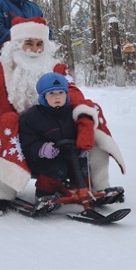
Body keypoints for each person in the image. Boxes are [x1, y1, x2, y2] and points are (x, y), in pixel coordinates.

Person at [0, 17, 125, 217]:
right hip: (17, 138)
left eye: (40, 44)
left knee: (92, 112)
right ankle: (1, 194)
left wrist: (84, 118)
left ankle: (96, 185)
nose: (35, 49)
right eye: (29, 43)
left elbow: (71, 91)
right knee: (7, 122)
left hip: (54, 134)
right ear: (17, 44)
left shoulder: (56, 68)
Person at [19, 72, 93, 203]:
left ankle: (84, 190)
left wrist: (81, 146)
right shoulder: (33, 116)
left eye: (61, 93)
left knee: (84, 165)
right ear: (43, 97)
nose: (57, 97)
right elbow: (27, 141)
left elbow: (80, 131)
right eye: (51, 93)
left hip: (69, 154)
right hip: (42, 159)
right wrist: (42, 149)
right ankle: (43, 194)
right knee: (57, 168)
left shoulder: (71, 113)